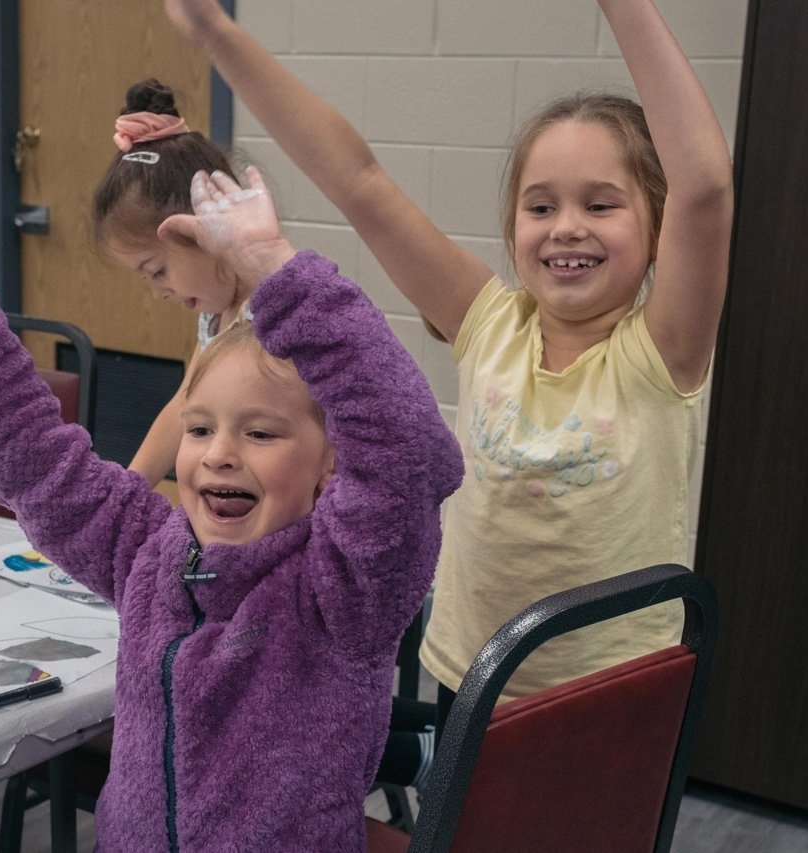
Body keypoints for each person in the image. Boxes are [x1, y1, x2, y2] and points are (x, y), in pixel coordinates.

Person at [0, 135, 463, 851]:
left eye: (260, 434)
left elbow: (411, 452)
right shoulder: (149, 555)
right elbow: (29, 454)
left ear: (331, 468)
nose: (218, 454)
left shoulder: (345, 590)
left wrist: (274, 266)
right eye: (200, 428)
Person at [165, 0, 734, 730]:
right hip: (475, 676)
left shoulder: (659, 352)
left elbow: (705, 189)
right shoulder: (488, 322)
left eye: (601, 206)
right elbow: (360, 182)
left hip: (609, 697)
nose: (566, 227)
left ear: (656, 228)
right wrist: (217, 35)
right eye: (540, 207)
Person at [92, 77, 256, 489]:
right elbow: (185, 403)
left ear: (201, 231)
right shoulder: (217, 316)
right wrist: (126, 491)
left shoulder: (271, 315)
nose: (158, 292)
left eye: (158, 270)